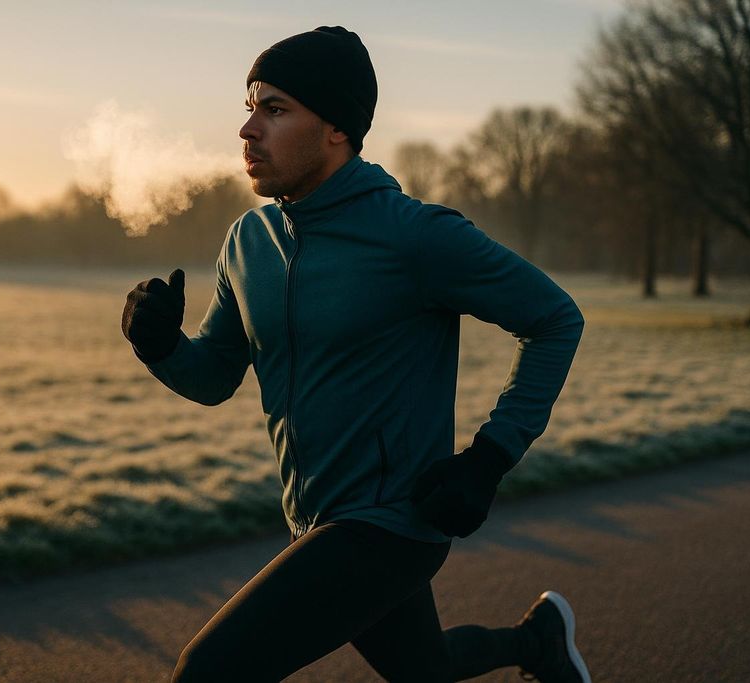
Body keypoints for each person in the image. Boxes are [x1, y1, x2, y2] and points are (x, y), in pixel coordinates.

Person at [122, 25, 590, 683]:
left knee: (207, 672)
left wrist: (488, 459)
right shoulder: (247, 243)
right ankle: (536, 641)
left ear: (337, 127)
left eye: (275, 108)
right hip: (312, 520)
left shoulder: (413, 237)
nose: (248, 129)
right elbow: (215, 376)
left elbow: (554, 319)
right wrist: (162, 346)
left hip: (394, 524)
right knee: (424, 669)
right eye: (250, 105)